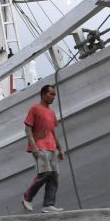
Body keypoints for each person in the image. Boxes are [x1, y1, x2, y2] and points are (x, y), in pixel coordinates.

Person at [21, 84, 66, 213]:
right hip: (40, 147)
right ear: (43, 94)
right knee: (45, 173)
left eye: (54, 95)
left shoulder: (51, 113)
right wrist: (34, 147)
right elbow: (28, 129)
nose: (53, 97)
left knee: (54, 176)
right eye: (50, 94)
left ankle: (48, 204)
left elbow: (52, 132)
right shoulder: (35, 109)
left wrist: (60, 149)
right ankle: (27, 197)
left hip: (51, 147)